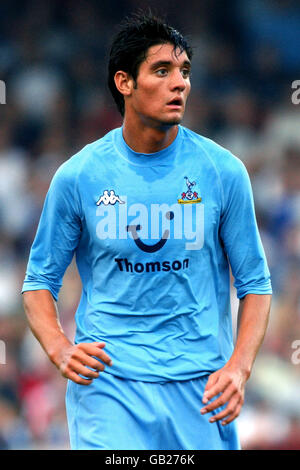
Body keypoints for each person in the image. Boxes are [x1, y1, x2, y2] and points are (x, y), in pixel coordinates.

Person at [22, 11, 272, 450]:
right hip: (110, 384)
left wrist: (239, 368)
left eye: (185, 72)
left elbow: (256, 284)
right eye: (162, 70)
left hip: (201, 388)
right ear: (125, 82)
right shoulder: (79, 176)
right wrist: (61, 350)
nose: (181, 83)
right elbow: (39, 282)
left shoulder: (223, 172)